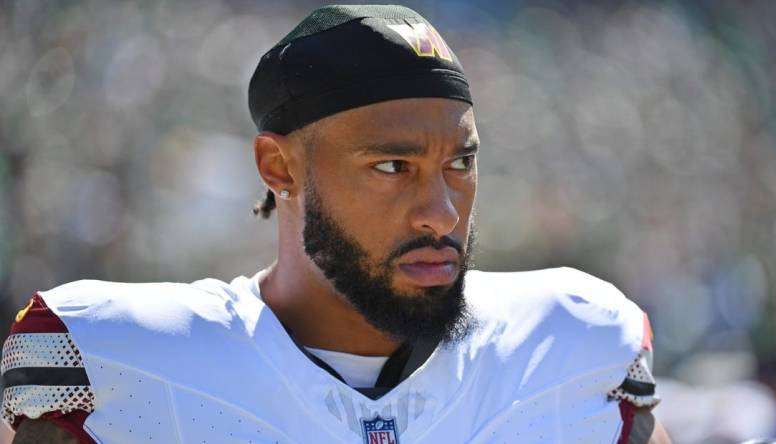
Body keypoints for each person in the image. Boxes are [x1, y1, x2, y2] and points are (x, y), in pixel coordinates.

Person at [1, 5, 671, 443]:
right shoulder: (107, 359)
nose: (441, 212)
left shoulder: (575, 340)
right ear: (280, 167)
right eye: (391, 166)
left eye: (459, 163)